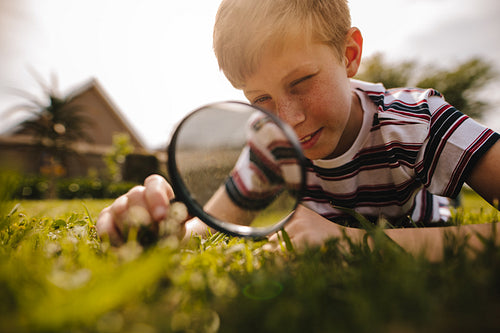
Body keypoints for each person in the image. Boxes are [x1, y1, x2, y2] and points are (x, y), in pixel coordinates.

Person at [97, 0, 500, 261]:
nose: (286, 120)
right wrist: (147, 226)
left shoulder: (417, 121)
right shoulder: (269, 142)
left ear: (349, 54)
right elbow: (210, 224)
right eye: (261, 99)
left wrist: (357, 244)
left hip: (422, 214)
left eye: (302, 81)